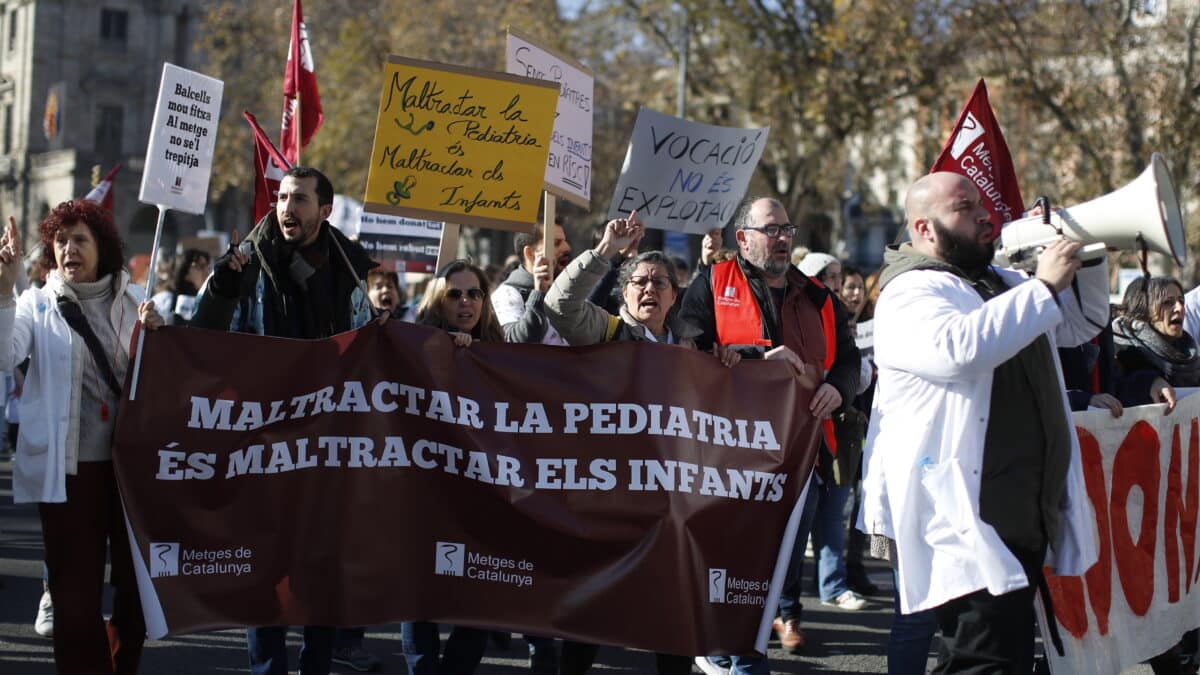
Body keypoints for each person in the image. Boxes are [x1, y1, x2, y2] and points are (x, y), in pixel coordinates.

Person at [859, 172, 1109, 673]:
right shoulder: (909, 292)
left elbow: (1083, 322)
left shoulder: (1000, 282)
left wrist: (1091, 255)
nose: (984, 215)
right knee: (981, 660)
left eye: (982, 204)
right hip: (964, 517)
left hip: (1017, 511)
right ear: (925, 228)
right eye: (965, 207)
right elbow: (960, 350)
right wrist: (1043, 283)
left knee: (1001, 659)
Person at [192, 166, 375, 675]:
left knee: (321, 565)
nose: (287, 208)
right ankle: (267, 667)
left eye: (299, 199)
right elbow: (207, 335)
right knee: (265, 565)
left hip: (326, 443)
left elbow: (363, 347)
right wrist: (224, 286)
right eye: (282, 197)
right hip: (264, 440)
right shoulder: (246, 264)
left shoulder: (348, 270)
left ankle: (317, 663)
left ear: (325, 210)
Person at [544, 211, 736, 675]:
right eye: (640, 282)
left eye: (660, 283)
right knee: (590, 622)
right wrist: (606, 250)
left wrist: (728, 367)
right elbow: (559, 305)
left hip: (669, 509)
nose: (650, 289)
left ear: (675, 294)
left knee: (670, 622)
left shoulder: (693, 350)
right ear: (624, 292)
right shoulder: (606, 333)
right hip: (607, 504)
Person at [678, 197, 860, 674]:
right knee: (730, 562)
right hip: (729, 455)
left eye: (787, 229)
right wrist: (755, 357)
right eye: (771, 229)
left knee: (775, 566)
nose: (782, 238)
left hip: (802, 459)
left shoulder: (819, 295)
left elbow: (849, 360)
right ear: (743, 238)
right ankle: (725, 648)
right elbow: (686, 347)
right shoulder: (712, 283)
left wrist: (837, 390)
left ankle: (744, 649)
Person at [0, 200, 165, 674]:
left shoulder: (138, 303)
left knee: (137, 596)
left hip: (132, 474)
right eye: (60, 241)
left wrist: (161, 335)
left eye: (80, 239)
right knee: (74, 600)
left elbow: (168, 381)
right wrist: (5, 288)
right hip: (69, 474)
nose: (69, 248)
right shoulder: (35, 304)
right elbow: (3, 355)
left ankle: (119, 660)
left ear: (102, 248)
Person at [403, 259, 501, 675]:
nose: (465, 301)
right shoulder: (413, 343)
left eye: (474, 293)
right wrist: (442, 352)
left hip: (482, 494)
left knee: (478, 598)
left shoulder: (501, 350)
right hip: (425, 491)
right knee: (420, 595)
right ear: (437, 299)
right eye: (454, 294)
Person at [492, 217, 572, 346]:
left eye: (565, 241)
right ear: (530, 254)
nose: (567, 247)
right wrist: (538, 294)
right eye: (556, 243)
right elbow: (516, 342)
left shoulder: (564, 289)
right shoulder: (506, 294)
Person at [151, 248, 211, 325]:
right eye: (201, 266)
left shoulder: (208, 300)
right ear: (185, 272)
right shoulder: (166, 299)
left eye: (207, 266)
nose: (206, 271)